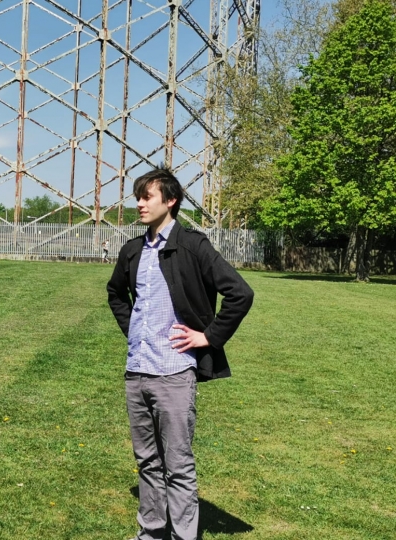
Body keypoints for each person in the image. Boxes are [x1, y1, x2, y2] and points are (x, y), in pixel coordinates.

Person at [106, 168, 253, 540]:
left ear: (169, 201)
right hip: (137, 372)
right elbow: (115, 294)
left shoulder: (193, 245)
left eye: (147, 197)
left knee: (178, 466)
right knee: (147, 463)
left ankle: (184, 536)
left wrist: (209, 337)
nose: (139, 204)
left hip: (174, 373)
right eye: (138, 197)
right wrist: (134, 331)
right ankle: (151, 533)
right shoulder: (133, 249)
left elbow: (240, 293)